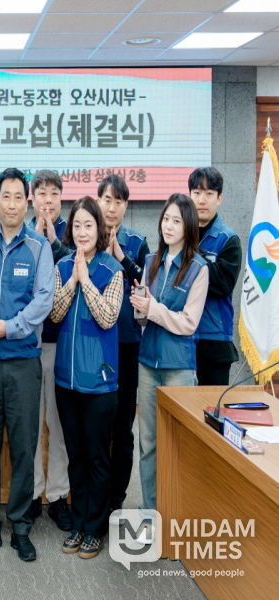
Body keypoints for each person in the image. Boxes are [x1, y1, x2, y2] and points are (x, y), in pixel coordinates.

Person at [0, 168, 54, 562]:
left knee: (23, 448)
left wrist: (12, 327)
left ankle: (20, 525)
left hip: (22, 363)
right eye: (6, 196)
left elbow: (43, 300)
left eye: (20, 197)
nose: (13, 204)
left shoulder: (39, 247)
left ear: (27, 202)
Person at [50, 196, 124, 559]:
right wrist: (72, 280)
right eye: (76, 225)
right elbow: (54, 313)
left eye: (88, 225)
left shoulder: (113, 270)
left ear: (100, 229)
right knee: (75, 456)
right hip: (66, 380)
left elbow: (108, 317)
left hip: (100, 382)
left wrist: (87, 282)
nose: (82, 232)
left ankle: (95, 528)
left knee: (97, 457)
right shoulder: (62, 266)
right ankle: (78, 523)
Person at [131, 193, 209, 512]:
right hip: (147, 363)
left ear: (188, 227)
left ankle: (175, 512)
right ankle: (150, 510)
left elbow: (188, 323)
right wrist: (139, 308)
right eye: (166, 219)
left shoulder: (199, 269)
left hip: (178, 367)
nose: (169, 226)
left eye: (177, 220)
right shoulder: (151, 261)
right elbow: (144, 318)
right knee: (148, 443)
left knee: (176, 445)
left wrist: (153, 309)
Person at [96, 174, 150, 515]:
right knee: (96, 424)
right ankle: (94, 493)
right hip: (95, 344)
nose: (112, 207)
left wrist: (121, 257)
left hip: (127, 344)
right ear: (98, 201)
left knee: (122, 426)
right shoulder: (87, 236)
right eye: (107, 199)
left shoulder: (137, 242)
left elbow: (146, 285)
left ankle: (116, 495)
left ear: (126, 205)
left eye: (118, 201)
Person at [27, 169, 73, 530]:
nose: (47, 200)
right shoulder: (22, 234)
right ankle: (31, 493)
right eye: (41, 193)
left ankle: (57, 495)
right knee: (30, 424)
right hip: (27, 345)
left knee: (57, 425)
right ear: (32, 199)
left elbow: (73, 275)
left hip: (60, 344)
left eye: (53, 194)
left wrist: (55, 244)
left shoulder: (74, 233)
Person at [188, 167, 241, 385]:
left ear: (219, 199)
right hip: (180, 337)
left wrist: (191, 253)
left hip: (214, 338)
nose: (202, 200)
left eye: (209, 193)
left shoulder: (228, 239)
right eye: (197, 193)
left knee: (211, 405)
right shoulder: (177, 235)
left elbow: (222, 286)